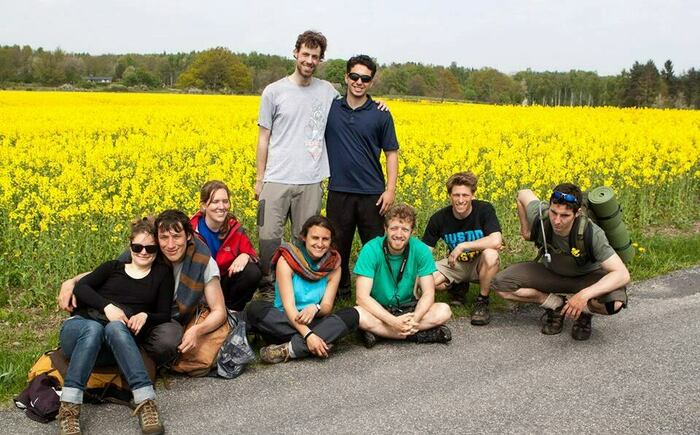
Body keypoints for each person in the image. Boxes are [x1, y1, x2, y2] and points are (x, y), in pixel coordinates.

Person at [58, 210, 227, 368]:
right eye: (164, 237)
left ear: (188, 236)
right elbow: (113, 271)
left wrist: (197, 330)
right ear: (156, 238)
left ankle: (131, 354)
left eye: (176, 237)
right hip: (132, 315)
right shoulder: (148, 250)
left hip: (165, 318)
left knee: (169, 339)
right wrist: (71, 282)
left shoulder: (203, 261)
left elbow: (219, 310)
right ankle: (129, 355)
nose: (170, 244)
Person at [57, 217, 172, 435]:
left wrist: (146, 315)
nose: (143, 252)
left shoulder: (161, 275)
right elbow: (81, 288)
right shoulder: (112, 268)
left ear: (157, 249)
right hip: (81, 330)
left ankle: (145, 403)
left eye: (150, 248)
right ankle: (69, 411)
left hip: (116, 345)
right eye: (137, 247)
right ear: (130, 246)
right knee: (94, 329)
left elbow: (164, 314)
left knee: (114, 327)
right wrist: (107, 306)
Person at [254, 30, 339, 300]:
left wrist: (377, 105)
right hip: (277, 177)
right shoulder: (274, 92)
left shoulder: (328, 91)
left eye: (315, 56)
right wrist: (260, 178)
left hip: (311, 179)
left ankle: (302, 289)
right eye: (305, 54)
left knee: (306, 240)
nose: (309, 60)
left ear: (320, 59)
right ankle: (268, 287)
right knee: (268, 236)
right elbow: (263, 138)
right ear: (295, 53)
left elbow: (353, 107)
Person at [491, 184, 630, 340]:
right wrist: (526, 232)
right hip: (551, 273)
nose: (557, 220)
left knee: (615, 303)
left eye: (564, 216)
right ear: (549, 207)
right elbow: (523, 194)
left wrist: (584, 295)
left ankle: (584, 311)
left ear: (577, 213)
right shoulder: (541, 215)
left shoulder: (592, 233)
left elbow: (622, 274)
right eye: (554, 212)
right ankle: (556, 304)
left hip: (585, 279)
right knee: (500, 285)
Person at [325, 54, 399, 299]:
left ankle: (378, 292)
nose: (359, 82)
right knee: (338, 245)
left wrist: (390, 190)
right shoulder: (331, 108)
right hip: (339, 190)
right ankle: (341, 291)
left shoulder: (380, 113)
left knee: (375, 247)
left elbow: (391, 153)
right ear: (346, 77)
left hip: (372, 193)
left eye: (365, 78)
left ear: (371, 82)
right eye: (354, 76)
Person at [246, 215, 359, 363]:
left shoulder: (334, 266)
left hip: (313, 320)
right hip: (284, 319)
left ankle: (290, 349)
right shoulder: (287, 259)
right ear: (304, 237)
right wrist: (309, 336)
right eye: (315, 238)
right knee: (255, 309)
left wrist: (315, 308)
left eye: (325, 239)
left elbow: (327, 306)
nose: (320, 244)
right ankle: (321, 339)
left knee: (352, 314)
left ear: (331, 241)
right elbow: (289, 307)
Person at [354, 204, 452, 347]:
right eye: (394, 228)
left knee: (444, 311)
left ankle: (381, 333)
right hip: (379, 309)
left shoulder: (420, 250)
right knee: (359, 314)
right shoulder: (370, 249)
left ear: (412, 232)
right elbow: (362, 297)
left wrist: (415, 319)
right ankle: (417, 335)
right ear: (385, 229)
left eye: (405, 229)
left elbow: (429, 293)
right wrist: (393, 321)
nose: (399, 234)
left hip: (409, 308)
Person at [422, 171, 502, 325]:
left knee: (491, 255)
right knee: (427, 279)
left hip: (480, 264)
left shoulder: (484, 210)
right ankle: (457, 287)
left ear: (473, 195)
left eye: (465, 195)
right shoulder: (438, 218)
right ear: (449, 196)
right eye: (456, 195)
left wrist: (463, 246)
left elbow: (496, 240)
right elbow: (425, 251)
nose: (460, 200)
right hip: (455, 264)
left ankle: (482, 301)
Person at [191, 180, 262, 311]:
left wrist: (245, 255)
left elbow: (254, 256)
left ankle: (231, 312)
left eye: (225, 201)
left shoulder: (234, 228)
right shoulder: (191, 231)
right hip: (200, 286)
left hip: (225, 283)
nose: (222, 206)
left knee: (252, 272)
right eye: (215, 201)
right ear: (203, 206)